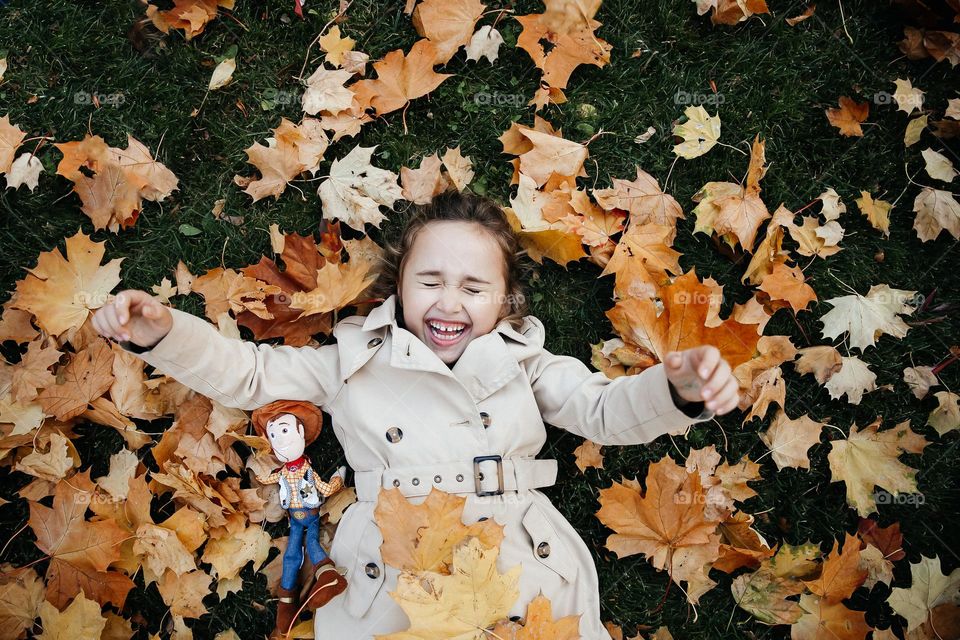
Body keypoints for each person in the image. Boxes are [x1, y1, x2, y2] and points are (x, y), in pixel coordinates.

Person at [92, 191, 741, 639]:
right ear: (399, 288)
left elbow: (602, 410)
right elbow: (250, 374)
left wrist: (673, 388)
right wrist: (162, 333)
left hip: (511, 552)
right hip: (397, 560)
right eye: (430, 281)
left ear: (504, 304)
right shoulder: (350, 361)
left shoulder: (527, 364)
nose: (448, 302)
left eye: (473, 287)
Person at [251, 400, 348, 638]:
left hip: (312, 517)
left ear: (301, 432)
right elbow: (267, 480)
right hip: (294, 519)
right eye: (273, 434)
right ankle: (286, 602)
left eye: (284, 430)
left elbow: (323, 488)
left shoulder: (307, 469)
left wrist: (337, 481)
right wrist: (254, 468)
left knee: (312, 544)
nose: (280, 439)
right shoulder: (282, 472)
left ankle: (328, 576)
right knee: (292, 554)